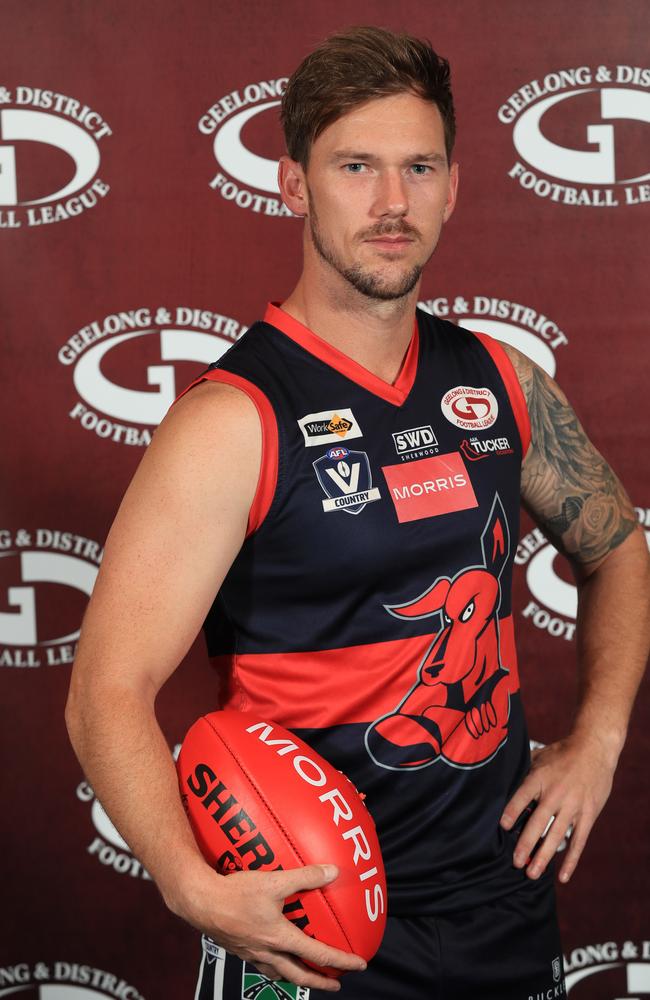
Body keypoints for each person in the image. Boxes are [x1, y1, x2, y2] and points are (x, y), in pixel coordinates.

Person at [65, 26, 650, 1000]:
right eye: (354, 166)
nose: (390, 203)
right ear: (294, 184)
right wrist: (188, 882)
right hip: (304, 931)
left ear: (453, 184)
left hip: (499, 908)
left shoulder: (499, 382)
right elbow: (104, 691)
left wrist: (595, 736)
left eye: (418, 166)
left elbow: (618, 546)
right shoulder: (232, 421)